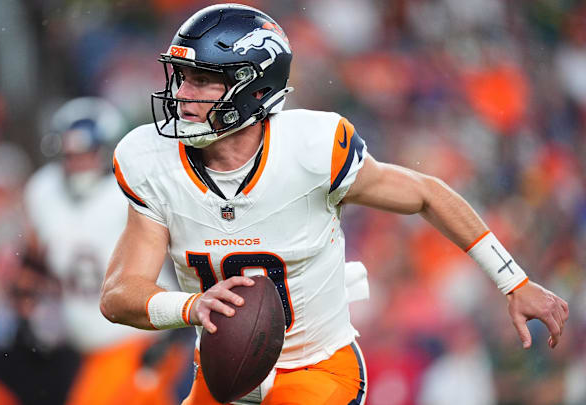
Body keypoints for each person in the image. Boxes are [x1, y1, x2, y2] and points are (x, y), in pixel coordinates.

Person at [99, 4, 569, 404]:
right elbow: (118, 296)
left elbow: (427, 193)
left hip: (317, 370)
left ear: (254, 89)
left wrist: (514, 281)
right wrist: (190, 305)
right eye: (181, 79)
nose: (181, 95)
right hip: (223, 377)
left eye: (202, 81)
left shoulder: (313, 148)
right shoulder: (152, 162)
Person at [22, 97, 192, 405]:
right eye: (70, 155)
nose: (77, 164)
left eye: (86, 153)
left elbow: (182, 257)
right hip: (90, 350)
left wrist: (177, 332)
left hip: (142, 340)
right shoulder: (44, 192)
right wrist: (34, 305)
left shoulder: (127, 193)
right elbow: (34, 262)